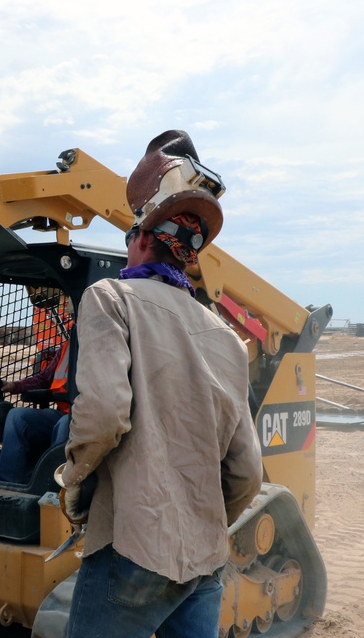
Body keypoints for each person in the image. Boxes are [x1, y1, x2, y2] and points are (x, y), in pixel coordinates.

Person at [56, 130, 263, 638]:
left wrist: (74, 483)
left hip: (132, 548)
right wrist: (203, 521)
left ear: (142, 239)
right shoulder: (228, 341)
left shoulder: (110, 299)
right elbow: (247, 473)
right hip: (205, 564)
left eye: (129, 239)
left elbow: (104, 413)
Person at [0, 287, 73, 483]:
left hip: (88, 419)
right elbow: (44, 378)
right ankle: (9, 483)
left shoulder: (107, 346)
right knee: (17, 416)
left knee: (65, 425)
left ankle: (51, 487)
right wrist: (14, 386)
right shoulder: (69, 346)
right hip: (64, 412)